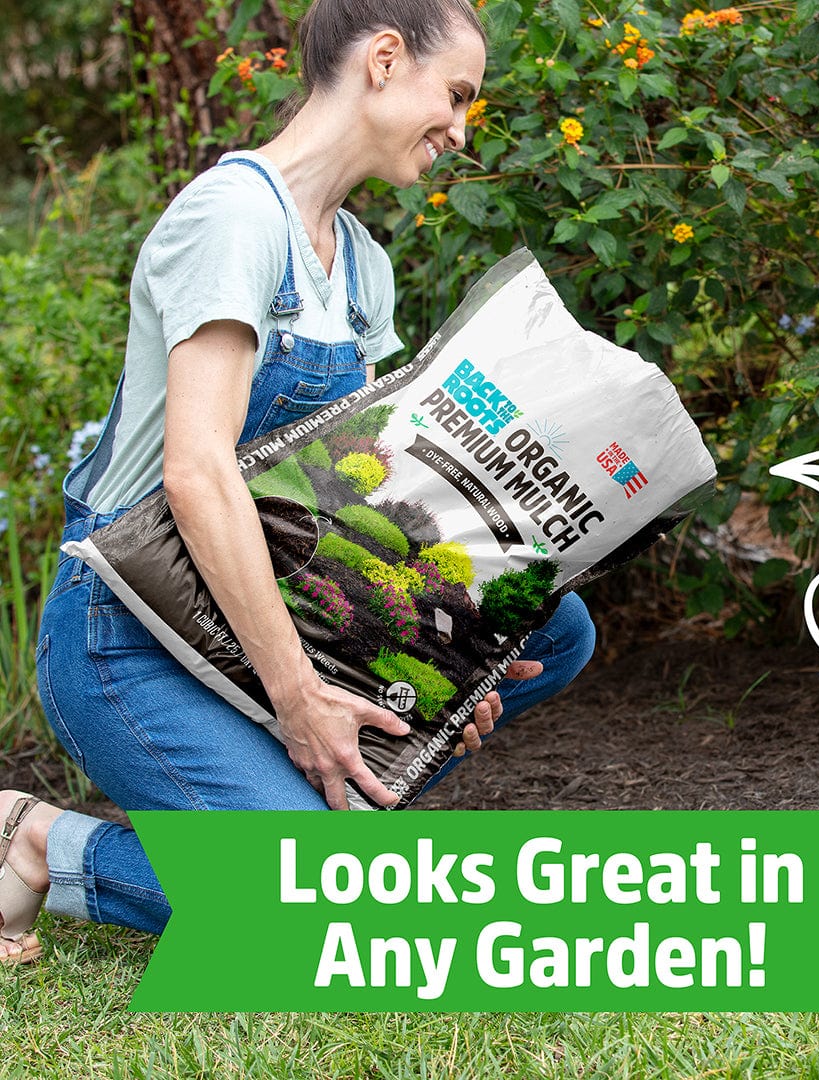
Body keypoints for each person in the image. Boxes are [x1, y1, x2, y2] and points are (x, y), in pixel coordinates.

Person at [0, 0, 595, 965]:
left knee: (552, 631)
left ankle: (326, 826)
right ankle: (42, 841)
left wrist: (455, 667)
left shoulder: (361, 265)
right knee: (321, 912)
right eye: (456, 95)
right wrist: (300, 699)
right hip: (129, 631)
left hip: (263, 614)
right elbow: (196, 476)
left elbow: (355, 496)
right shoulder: (235, 216)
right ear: (386, 60)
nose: (460, 126)